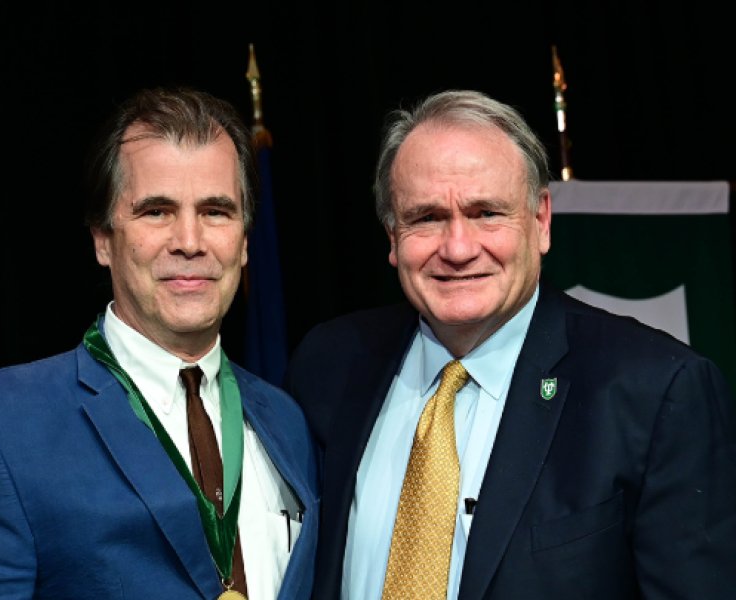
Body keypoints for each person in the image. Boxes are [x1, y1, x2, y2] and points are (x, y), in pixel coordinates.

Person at [285, 91, 736, 600]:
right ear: (392, 236)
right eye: (427, 217)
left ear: (541, 220)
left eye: (486, 213)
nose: (457, 248)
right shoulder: (329, 366)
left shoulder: (655, 392)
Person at [0, 87, 319, 600]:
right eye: (156, 211)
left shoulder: (288, 423)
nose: (189, 240)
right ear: (102, 239)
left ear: (245, 241)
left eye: (216, 211)